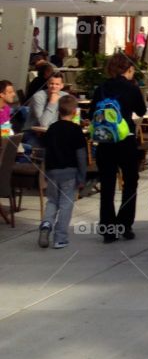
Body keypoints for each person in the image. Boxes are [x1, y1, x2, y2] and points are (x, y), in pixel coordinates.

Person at [91, 52, 146, 243]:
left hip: (105, 141)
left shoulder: (101, 88)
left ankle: (108, 229)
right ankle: (125, 224)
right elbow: (141, 111)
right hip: (126, 141)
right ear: (129, 69)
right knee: (130, 182)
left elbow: (92, 113)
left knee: (107, 185)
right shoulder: (132, 88)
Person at [37, 94, 87, 250]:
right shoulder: (76, 130)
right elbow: (81, 155)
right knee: (66, 204)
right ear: (74, 112)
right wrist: (82, 176)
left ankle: (46, 224)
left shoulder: (52, 129)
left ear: (58, 111)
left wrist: (44, 172)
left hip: (52, 171)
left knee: (52, 201)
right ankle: (60, 238)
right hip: (69, 172)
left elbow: (45, 152)